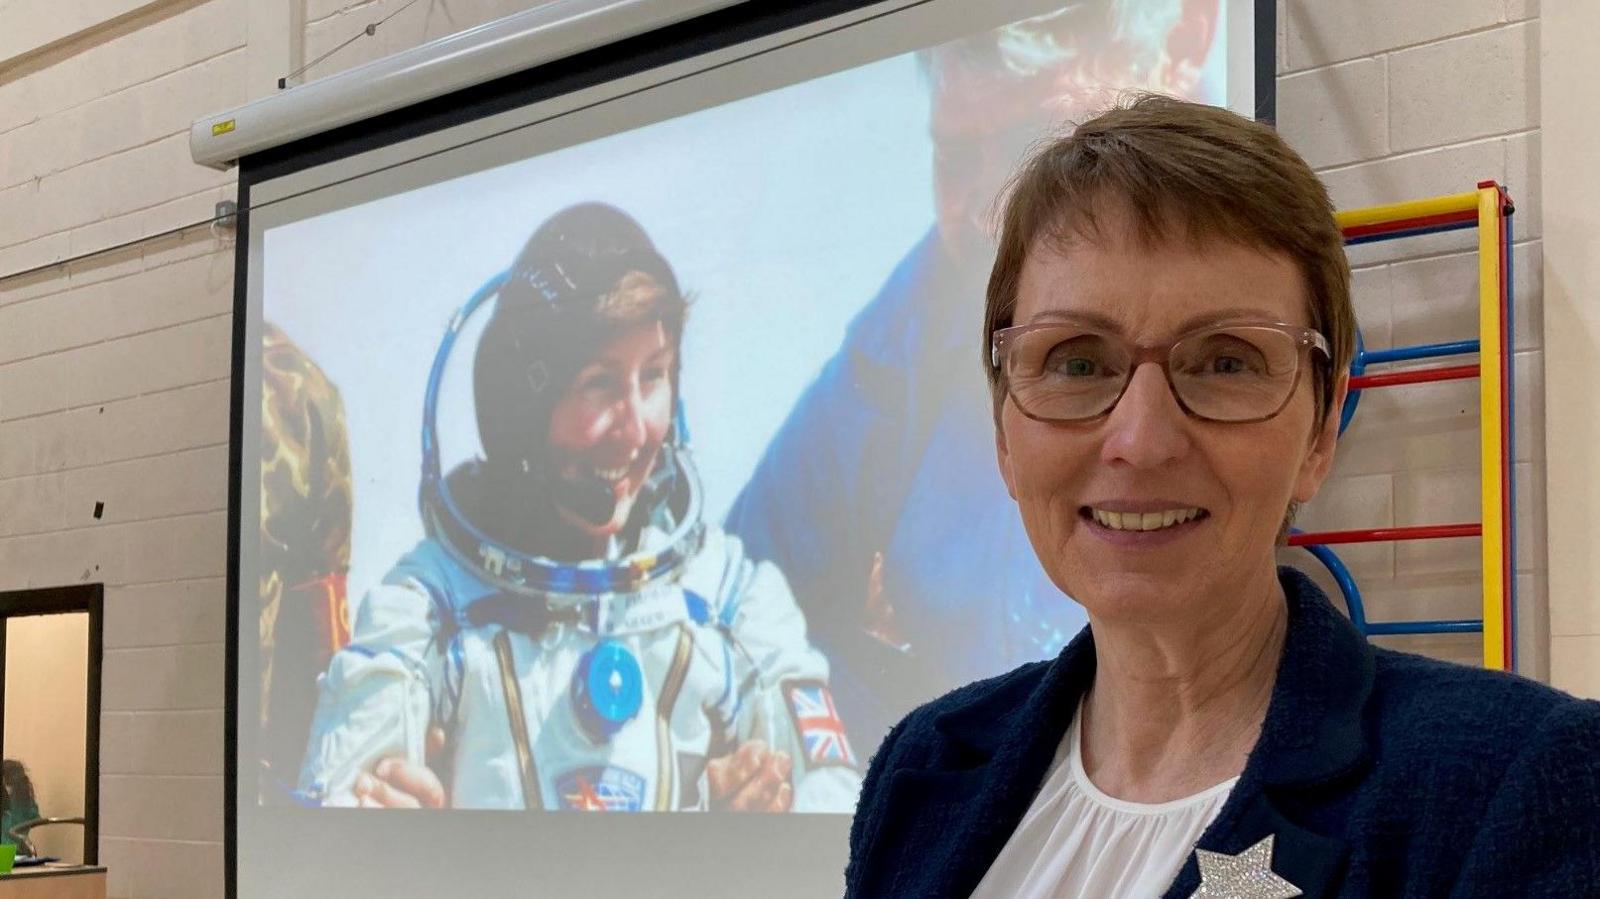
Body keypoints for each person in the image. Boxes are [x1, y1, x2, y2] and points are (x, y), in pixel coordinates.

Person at [846, 95, 1600, 898]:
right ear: (1005, 429)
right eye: (1076, 362)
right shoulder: (923, 764)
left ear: (1319, 432)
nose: (1140, 440)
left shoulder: (1516, 785)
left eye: (1226, 361)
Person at [724, 1, 1220, 746]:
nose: (989, 218)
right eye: (956, 158)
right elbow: (743, 601)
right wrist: (914, 729)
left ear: (1186, 40)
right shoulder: (899, 341)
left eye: (1039, 149)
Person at [299, 203, 859, 812]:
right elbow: (333, 812)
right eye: (600, 383)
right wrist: (394, 849)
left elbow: (835, 808)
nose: (637, 428)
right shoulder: (430, 610)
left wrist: (739, 849)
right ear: (521, 410)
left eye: (654, 376)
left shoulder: (733, 604)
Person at [0, 760, 40, 848]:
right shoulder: (26, 802)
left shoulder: (24, 802)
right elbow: (36, 819)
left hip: (14, 849)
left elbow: (35, 819)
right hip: (16, 849)